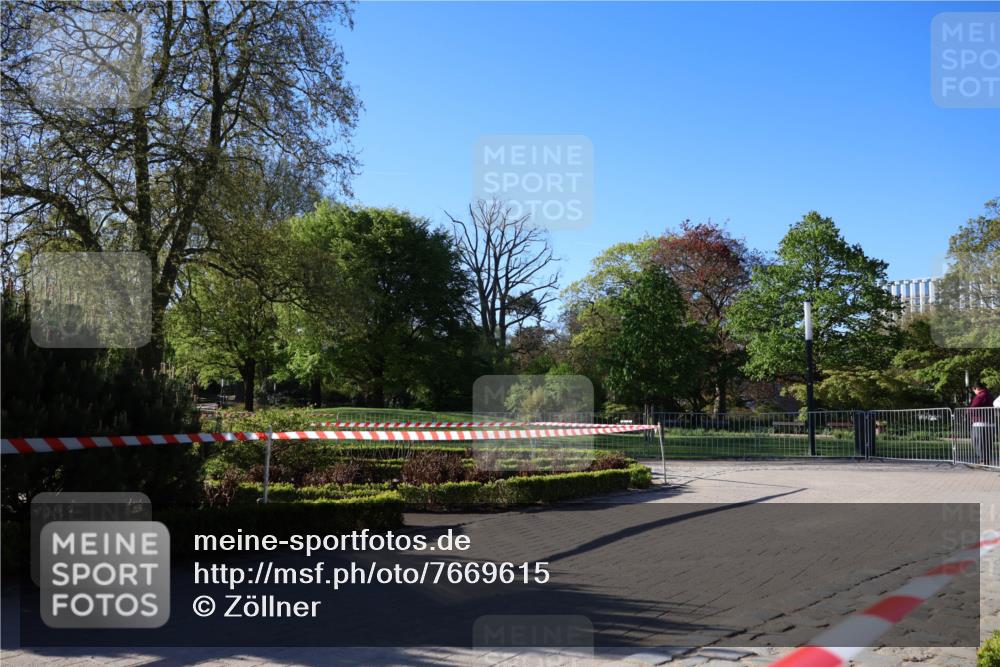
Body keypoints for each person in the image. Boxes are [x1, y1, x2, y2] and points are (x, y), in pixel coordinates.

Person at [969, 381, 996, 464]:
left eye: (974, 390)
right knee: (987, 443)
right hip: (990, 423)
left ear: (976, 388)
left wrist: (966, 413)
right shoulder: (989, 395)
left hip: (980, 422)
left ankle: (983, 460)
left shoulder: (980, 396)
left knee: (977, 442)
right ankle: (986, 461)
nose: (974, 392)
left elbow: (973, 407)